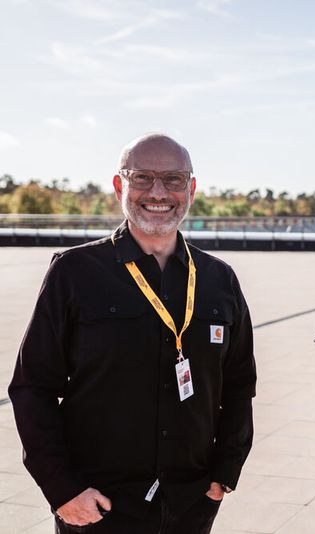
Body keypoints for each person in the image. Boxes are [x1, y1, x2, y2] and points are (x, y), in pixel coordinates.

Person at [8, 134, 257, 533]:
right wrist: (62, 489)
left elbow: (240, 384)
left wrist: (225, 472)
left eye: (173, 179)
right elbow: (31, 387)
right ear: (119, 185)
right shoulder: (74, 273)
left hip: (189, 505)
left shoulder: (219, 279)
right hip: (99, 507)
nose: (158, 192)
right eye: (142, 177)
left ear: (191, 188)